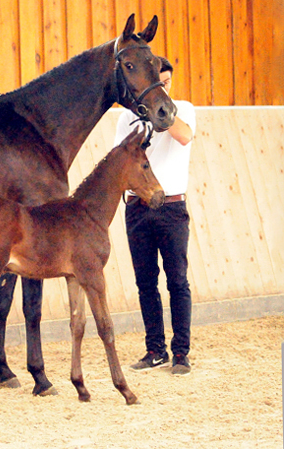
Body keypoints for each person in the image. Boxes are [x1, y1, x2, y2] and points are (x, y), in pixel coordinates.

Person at [114, 56, 196, 376]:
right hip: (137, 206)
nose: (162, 88)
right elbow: (121, 160)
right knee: (146, 283)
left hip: (172, 207)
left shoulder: (183, 108)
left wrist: (161, 107)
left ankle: (181, 352)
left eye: (166, 83)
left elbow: (185, 136)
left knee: (177, 281)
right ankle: (155, 350)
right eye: (156, 83)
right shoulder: (127, 119)